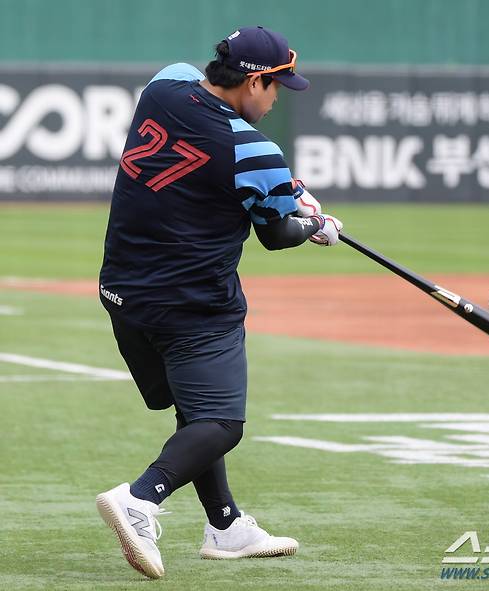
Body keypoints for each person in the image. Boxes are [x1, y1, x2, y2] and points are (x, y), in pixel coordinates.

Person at [95, 25, 342, 579]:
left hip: (123, 291)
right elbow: (277, 234)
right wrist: (316, 223)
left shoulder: (165, 86)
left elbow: (233, 171)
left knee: (195, 411)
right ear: (254, 82)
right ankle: (141, 498)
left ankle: (226, 526)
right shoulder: (254, 148)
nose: (277, 98)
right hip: (194, 305)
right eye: (277, 86)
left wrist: (288, 190)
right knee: (222, 422)